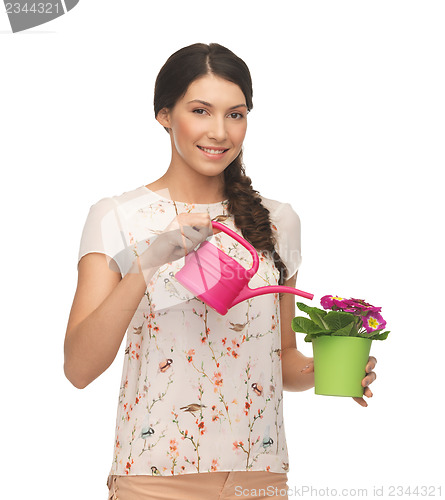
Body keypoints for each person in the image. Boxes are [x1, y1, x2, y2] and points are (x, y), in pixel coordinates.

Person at [64, 42, 377, 500]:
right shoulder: (117, 217)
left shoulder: (277, 221)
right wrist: (149, 260)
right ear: (165, 115)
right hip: (152, 478)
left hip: (259, 477)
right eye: (200, 110)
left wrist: (327, 368)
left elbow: (281, 359)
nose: (219, 131)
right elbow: (79, 368)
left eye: (236, 114)